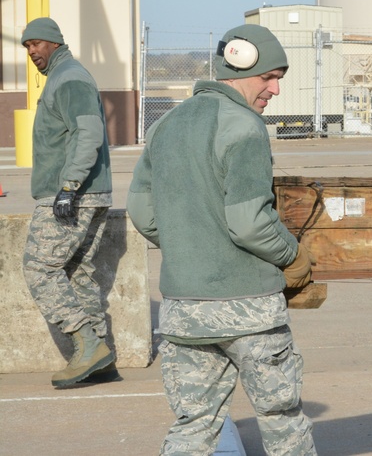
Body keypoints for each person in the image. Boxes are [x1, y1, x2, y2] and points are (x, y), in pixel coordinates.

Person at [127, 24, 316, 454]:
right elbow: (249, 222)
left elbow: (142, 213)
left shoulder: (166, 125)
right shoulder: (244, 127)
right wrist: (292, 254)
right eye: (269, 77)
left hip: (183, 311)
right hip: (250, 311)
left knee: (195, 424)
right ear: (239, 67)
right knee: (281, 420)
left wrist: (190, 244)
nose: (275, 90)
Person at [20, 17, 116, 388]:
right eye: (27, 47)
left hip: (71, 195)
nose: (31, 52)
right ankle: (100, 355)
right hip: (83, 193)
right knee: (77, 273)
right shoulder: (65, 77)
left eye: (37, 44)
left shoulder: (70, 77)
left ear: (55, 43)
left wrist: (69, 186)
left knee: (39, 268)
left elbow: (88, 131)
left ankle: (86, 344)